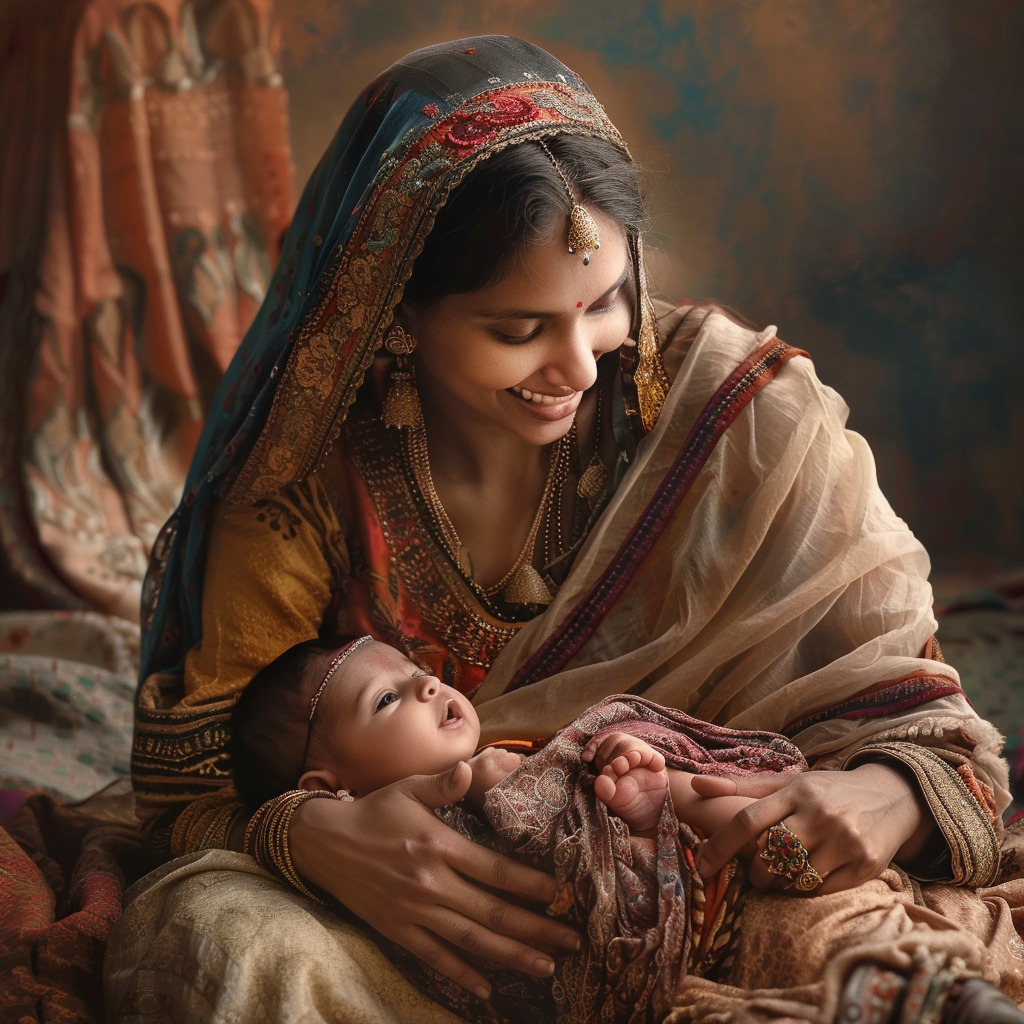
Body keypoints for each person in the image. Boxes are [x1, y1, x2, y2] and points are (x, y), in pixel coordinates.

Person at [112, 34, 1024, 1024]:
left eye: (605, 304)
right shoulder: (304, 480)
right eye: (517, 330)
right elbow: (192, 788)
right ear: (398, 308)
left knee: (844, 940)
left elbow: (925, 730)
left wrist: (884, 798)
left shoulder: (741, 420)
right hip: (423, 930)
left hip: (713, 888)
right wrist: (304, 836)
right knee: (219, 937)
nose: (579, 367)